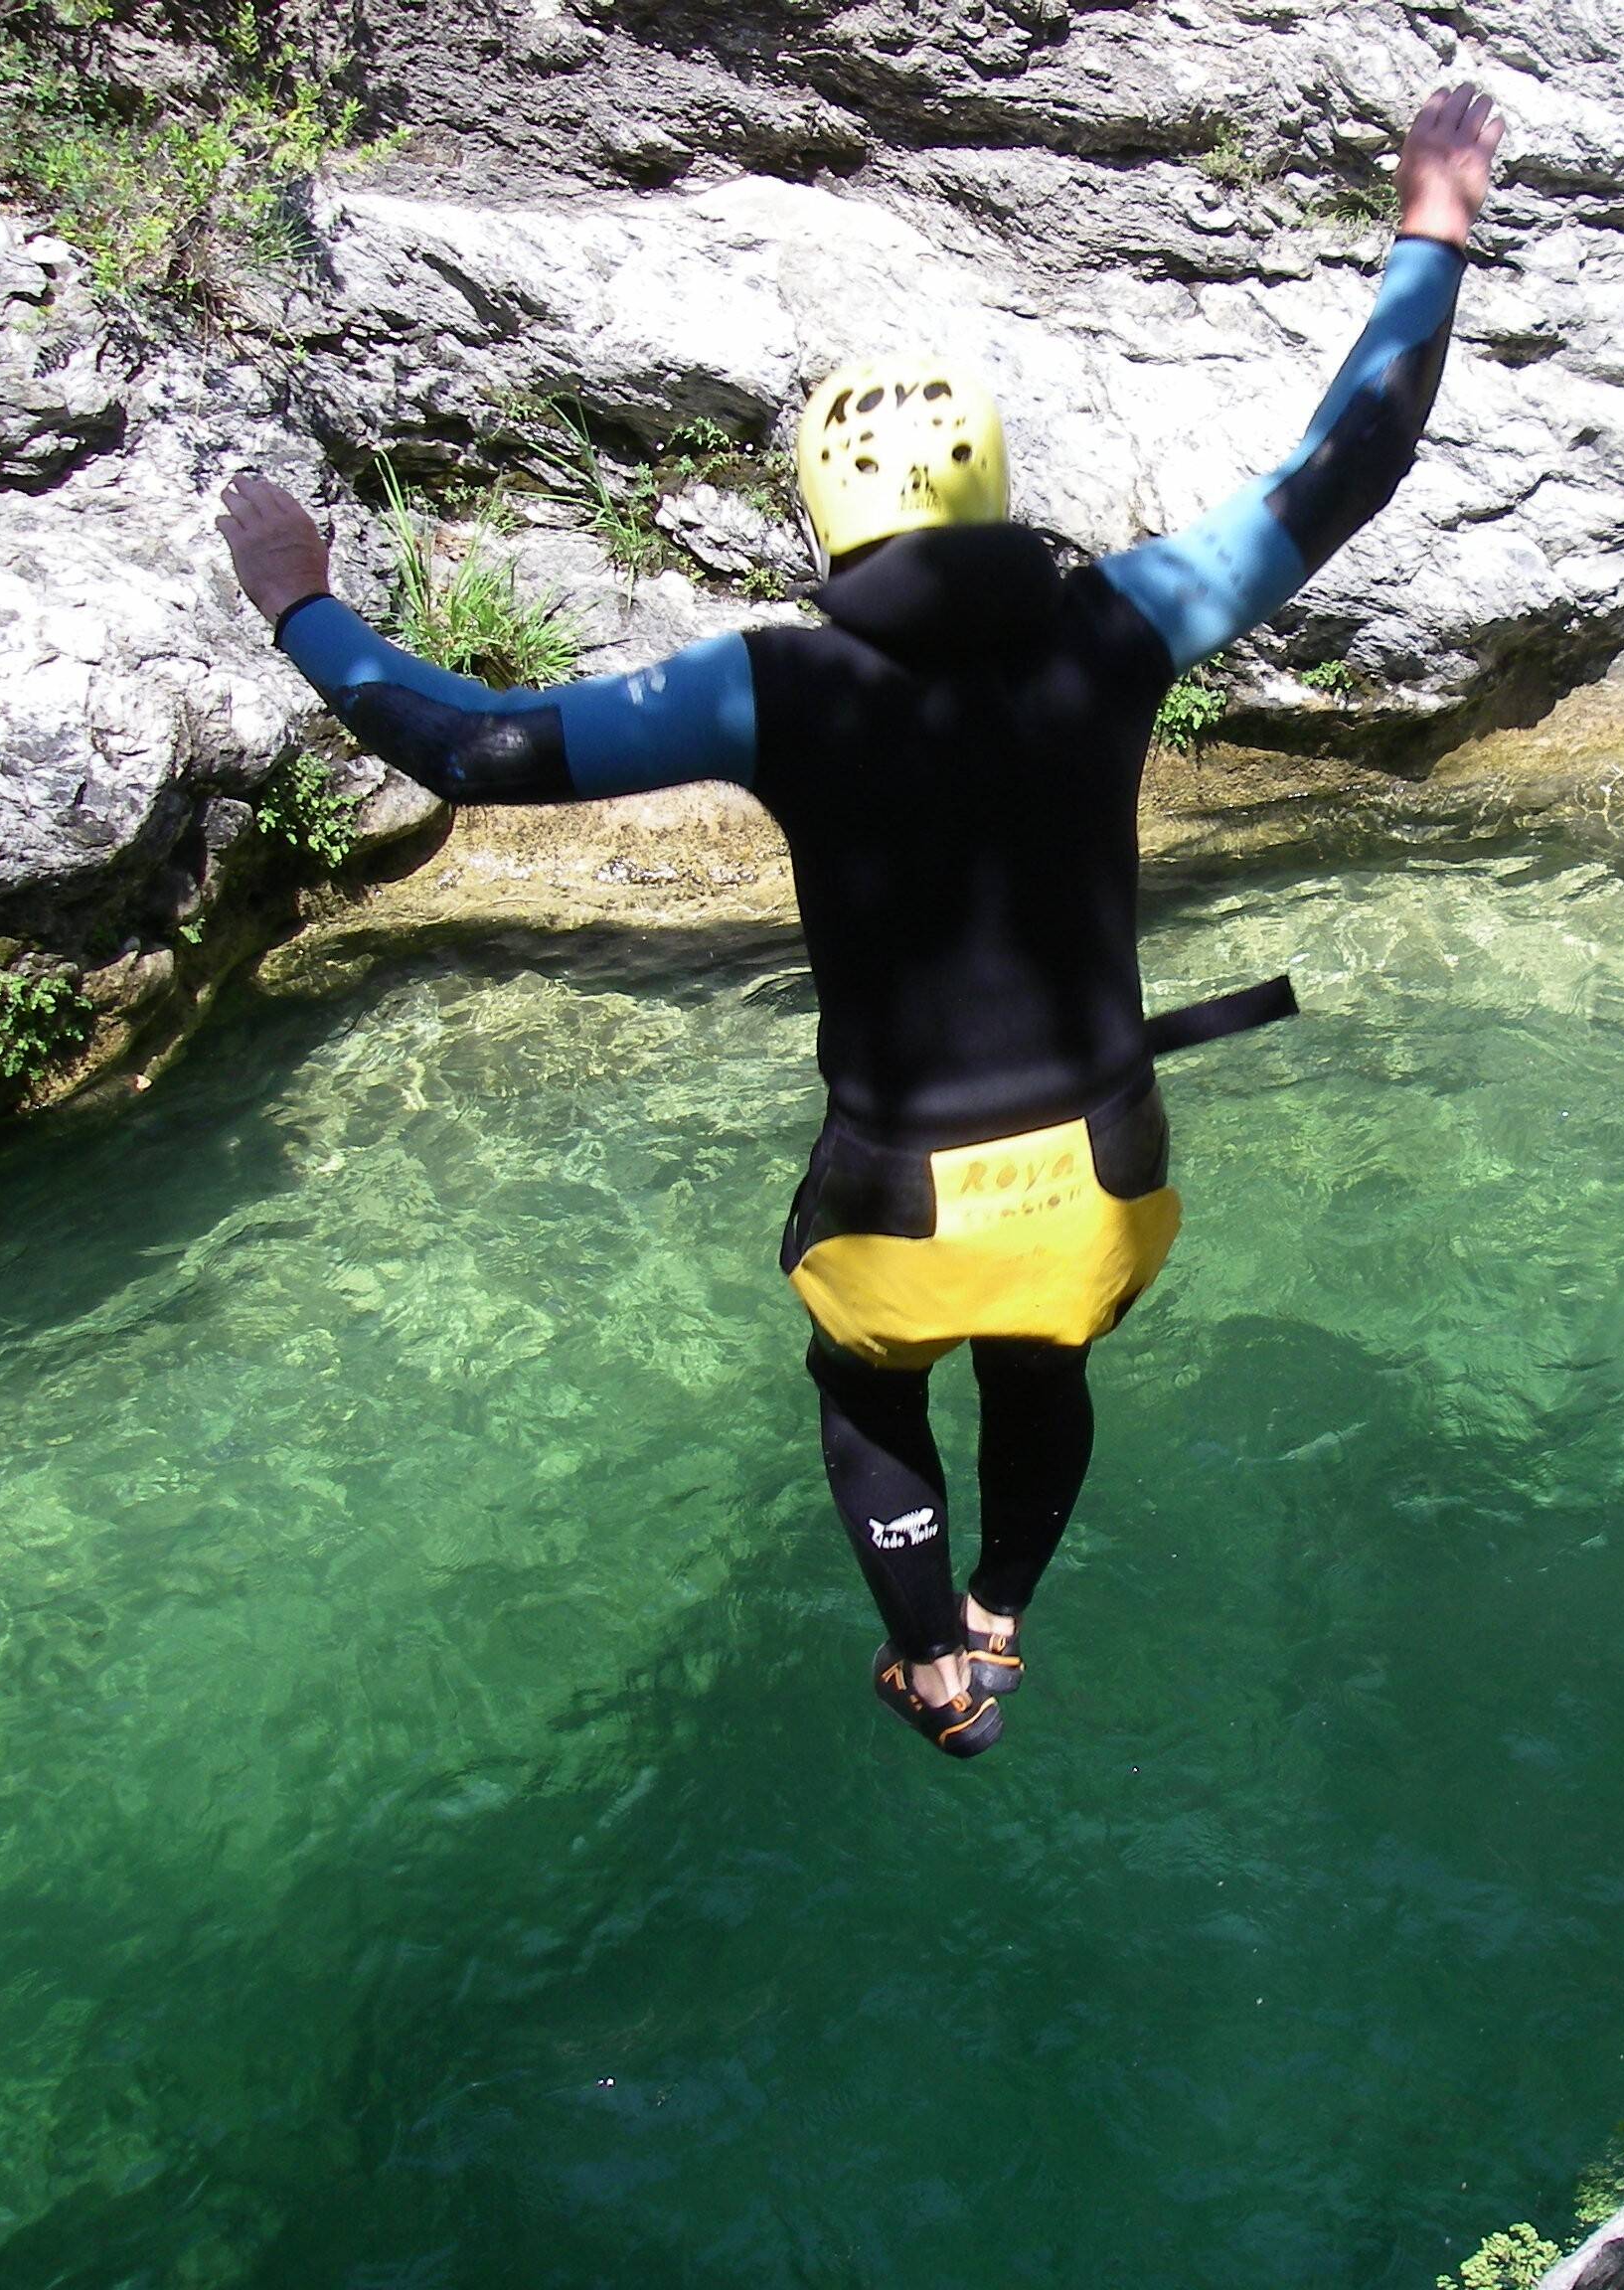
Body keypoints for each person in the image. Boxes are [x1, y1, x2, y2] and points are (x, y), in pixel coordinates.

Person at [214, 82, 1506, 1758]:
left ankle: (929, 1666)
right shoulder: (1122, 623)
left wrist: (301, 601)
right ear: (991, 487)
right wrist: (1433, 219)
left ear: (829, 511)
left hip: (897, 1201)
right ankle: (1002, 1613)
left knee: (866, 1382)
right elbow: (1356, 458)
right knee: (1043, 1363)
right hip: (1105, 1180)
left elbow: (464, 743)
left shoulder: (774, 688)